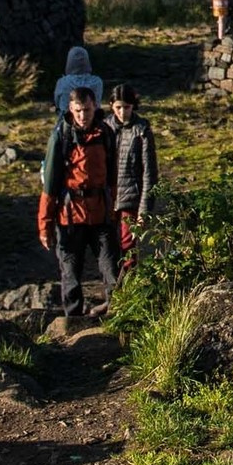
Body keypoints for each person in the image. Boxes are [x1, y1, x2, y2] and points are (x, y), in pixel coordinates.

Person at [36, 75, 116, 322]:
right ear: (70, 109)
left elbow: (112, 176)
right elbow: (50, 184)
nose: (83, 115)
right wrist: (45, 226)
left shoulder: (105, 133)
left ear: (95, 107)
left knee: (111, 268)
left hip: (101, 212)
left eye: (88, 109)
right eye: (79, 110)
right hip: (71, 215)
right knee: (70, 271)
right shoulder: (61, 136)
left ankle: (118, 314)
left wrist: (117, 212)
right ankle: (73, 321)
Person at [106, 82, 158, 264]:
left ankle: (127, 287)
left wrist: (145, 209)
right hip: (107, 198)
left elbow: (149, 173)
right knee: (109, 248)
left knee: (128, 248)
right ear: (112, 105)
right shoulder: (104, 129)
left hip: (131, 199)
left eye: (126, 107)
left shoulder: (141, 130)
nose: (122, 112)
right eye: (118, 107)